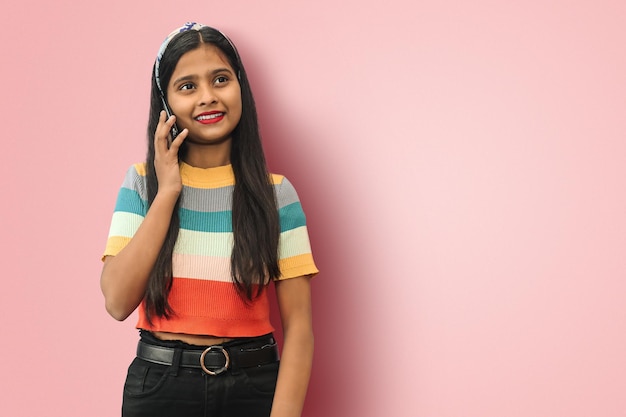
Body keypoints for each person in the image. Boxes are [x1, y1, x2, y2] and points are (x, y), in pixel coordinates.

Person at [100, 22, 318, 417]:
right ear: (164, 104)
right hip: (160, 387)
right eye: (187, 86)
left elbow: (300, 327)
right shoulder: (141, 184)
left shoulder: (276, 195)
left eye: (221, 79)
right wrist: (167, 193)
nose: (208, 97)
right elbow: (117, 302)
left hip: (254, 386)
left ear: (241, 88)